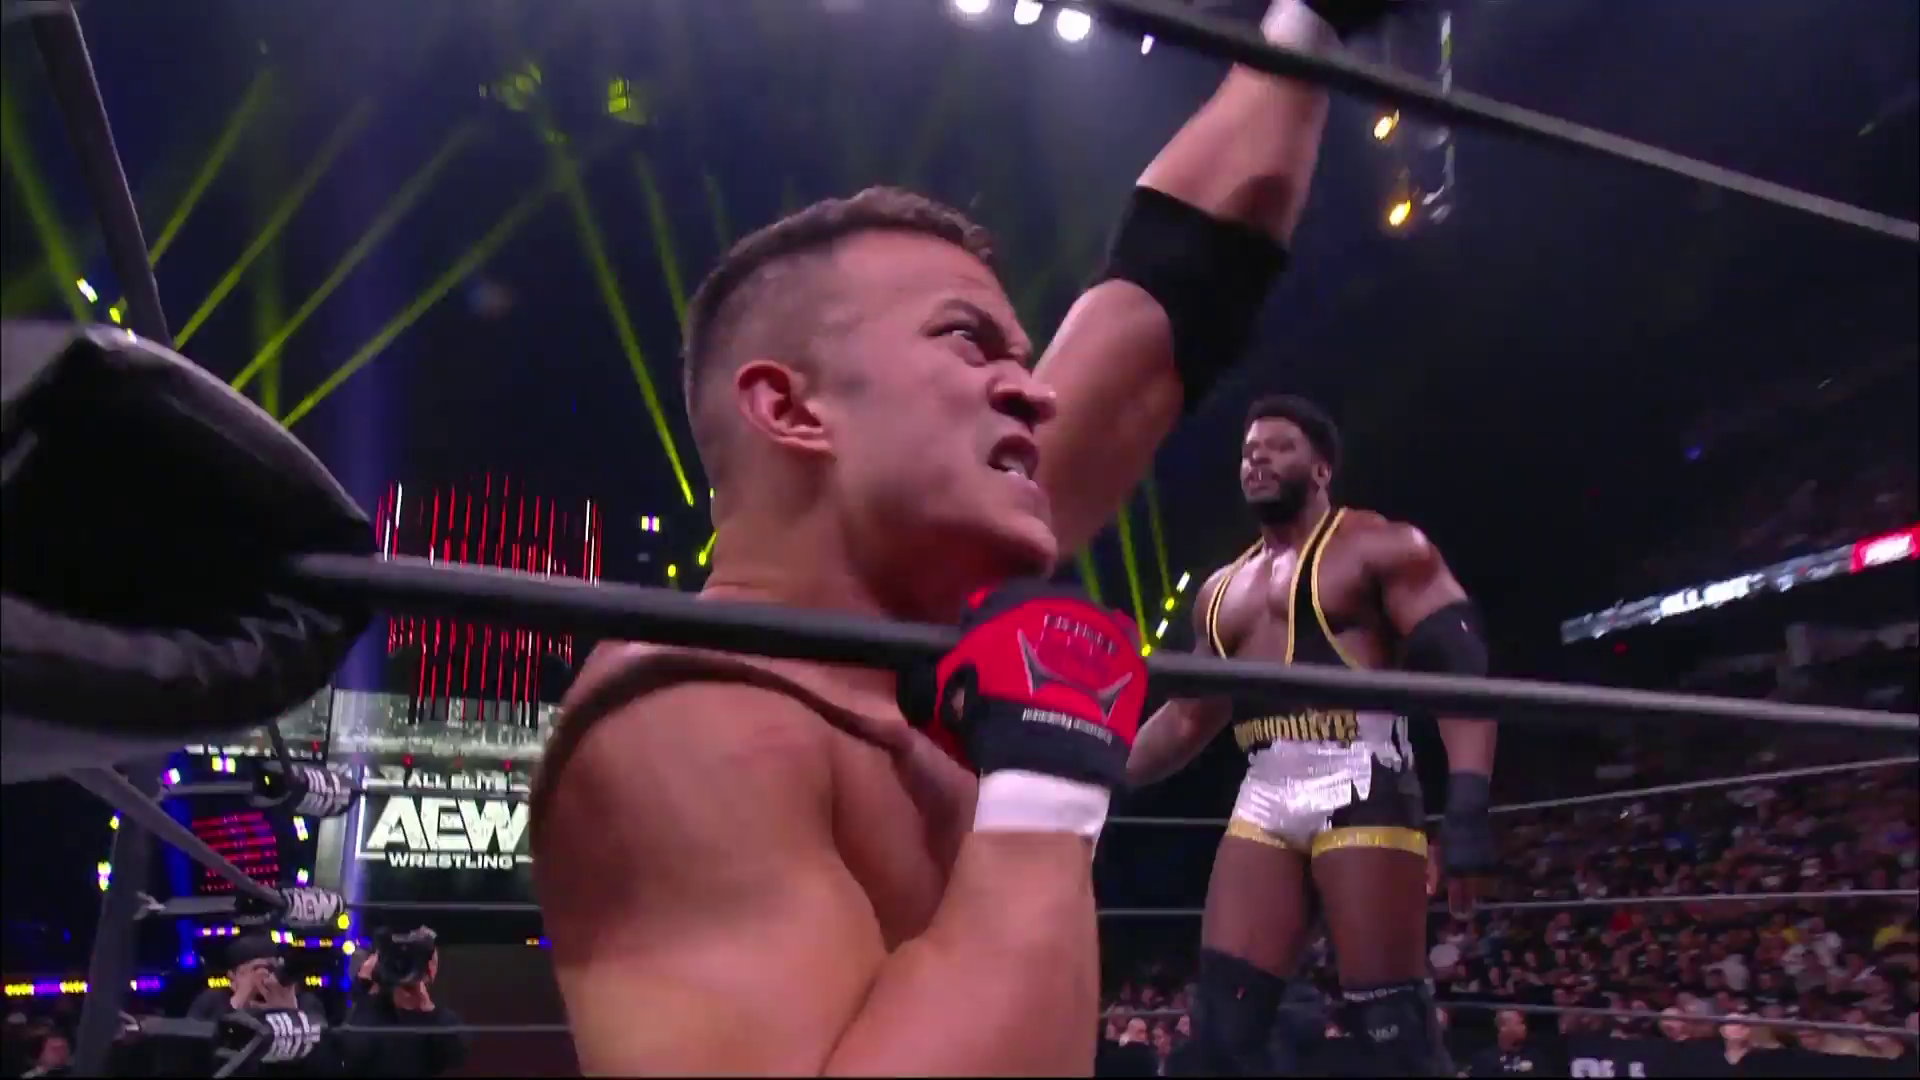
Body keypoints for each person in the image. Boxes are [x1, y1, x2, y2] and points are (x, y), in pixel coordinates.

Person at [530, 0, 1410, 1073]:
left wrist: (1307, 26)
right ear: (794, 410)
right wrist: (1044, 796)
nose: (1033, 394)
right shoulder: (689, 720)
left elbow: (1177, 287)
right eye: (966, 341)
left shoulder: (918, 642)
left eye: (1021, 358)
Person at [1124, 395, 1496, 1076]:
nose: (1257, 459)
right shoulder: (1220, 591)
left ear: (1322, 468)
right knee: (1224, 1025)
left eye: (1278, 446)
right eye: (1248, 451)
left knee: (1393, 1030)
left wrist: (1468, 803)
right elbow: (1186, 718)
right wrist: (1096, 769)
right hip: (1265, 786)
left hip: (1362, 775)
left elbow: (1461, 667)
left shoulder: (1379, 546)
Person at [182, 933, 337, 1076]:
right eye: (256, 970)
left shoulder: (305, 1002)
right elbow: (191, 1055)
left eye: (272, 969)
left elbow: (326, 1060)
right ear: (233, 978)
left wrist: (291, 1015)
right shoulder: (211, 1002)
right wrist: (237, 1005)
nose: (265, 977)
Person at [337, 931, 468, 1078]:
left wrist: (427, 1008)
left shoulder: (439, 1019)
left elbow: (457, 1055)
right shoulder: (368, 1010)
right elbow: (352, 1053)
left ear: (431, 971)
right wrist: (368, 985)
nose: (402, 966)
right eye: (397, 959)